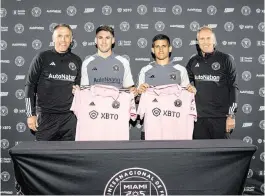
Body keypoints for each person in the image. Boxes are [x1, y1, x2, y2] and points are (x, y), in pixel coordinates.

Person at [25, 24, 82, 141]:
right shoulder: (42, 57)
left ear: (71, 39)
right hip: (46, 117)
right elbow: (30, 86)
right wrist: (30, 114)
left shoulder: (76, 60)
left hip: (69, 119)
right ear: (53, 38)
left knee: (68, 157)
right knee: (42, 156)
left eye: (67, 36)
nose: (63, 40)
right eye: (60, 36)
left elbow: (79, 89)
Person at [137, 34, 196, 140]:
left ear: (170, 49)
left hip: (175, 129)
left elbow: (186, 97)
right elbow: (138, 99)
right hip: (151, 129)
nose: (160, 49)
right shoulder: (145, 70)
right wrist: (139, 92)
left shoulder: (180, 70)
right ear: (152, 50)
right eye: (157, 46)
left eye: (164, 46)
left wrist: (191, 91)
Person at [186, 26, 239, 139]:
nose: (205, 42)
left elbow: (233, 87)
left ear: (214, 40)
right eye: (202, 39)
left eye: (208, 38)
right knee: (200, 155)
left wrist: (231, 115)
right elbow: (184, 83)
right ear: (197, 42)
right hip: (198, 119)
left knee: (222, 155)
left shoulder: (226, 59)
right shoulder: (193, 61)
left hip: (220, 118)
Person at [74, 25, 137, 95]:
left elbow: (129, 88)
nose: (104, 41)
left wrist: (133, 92)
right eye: (100, 38)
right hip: (94, 105)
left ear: (113, 40)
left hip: (117, 105)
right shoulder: (87, 63)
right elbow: (84, 91)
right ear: (95, 40)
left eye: (107, 38)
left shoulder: (123, 62)